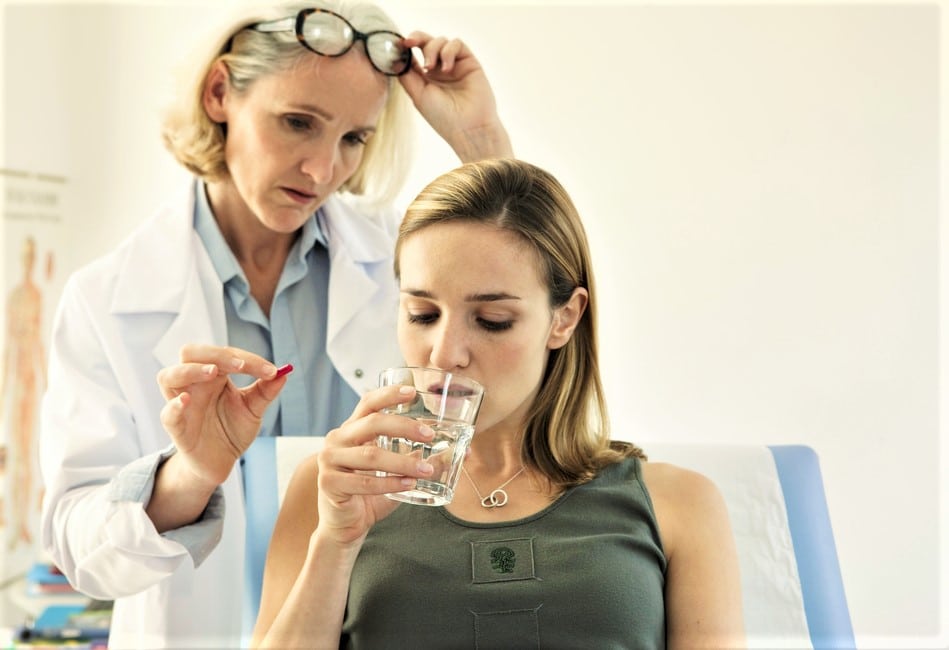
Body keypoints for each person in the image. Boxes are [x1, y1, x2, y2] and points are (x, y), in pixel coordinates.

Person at [38, 1, 512, 647]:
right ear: (218, 93)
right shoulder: (106, 298)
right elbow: (81, 551)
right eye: (297, 123)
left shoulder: (405, 262)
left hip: (381, 621)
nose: (323, 170)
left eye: (353, 139)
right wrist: (192, 472)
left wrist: (479, 142)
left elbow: (532, 311)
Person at [159, 158, 746, 648]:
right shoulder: (329, 490)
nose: (444, 354)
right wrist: (336, 545)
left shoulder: (678, 504)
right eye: (421, 314)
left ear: (563, 318)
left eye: (491, 320)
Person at [0, 236, 47, 549]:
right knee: (15, 454)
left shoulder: (37, 295)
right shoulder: (15, 296)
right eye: (26, 255)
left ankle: (24, 522)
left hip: (31, 381)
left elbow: (39, 343)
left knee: (30, 454)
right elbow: (8, 347)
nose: (29, 261)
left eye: (33, 255)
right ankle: (15, 522)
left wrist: (49, 385)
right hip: (17, 379)